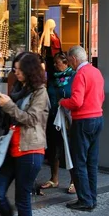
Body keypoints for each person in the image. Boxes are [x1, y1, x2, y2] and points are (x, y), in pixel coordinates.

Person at [0, 52, 49, 216]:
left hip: (30, 151)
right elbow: (12, 112)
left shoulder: (40, 92)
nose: (15, 73)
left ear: (29, 70)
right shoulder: (21, 88)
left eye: (18, 70)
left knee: (22, 200)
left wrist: (8, 105)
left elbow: (31, 119)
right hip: (12, 148)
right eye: (14, 69)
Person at [60, 46, 104, 211]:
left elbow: (76, 101)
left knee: (79, 162)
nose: (69, 62)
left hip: (83, 120)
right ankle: (92, 197)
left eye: (69, 59)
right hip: (98, 118)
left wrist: (62, 102)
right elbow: (101, 96)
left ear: (74, 59)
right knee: (92, 162)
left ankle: (85, 200)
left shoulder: (80, 74)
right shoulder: (96, 72)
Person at [41, 52, 76, 193]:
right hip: (53, 117)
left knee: (70, 149)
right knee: (54, 149)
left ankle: (74, 181)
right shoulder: (52, 78)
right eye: (54, 63)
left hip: (68, 119)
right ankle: (54, 178)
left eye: (57, 63)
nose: (55, 65)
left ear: (66, 62)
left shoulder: (74, 77)